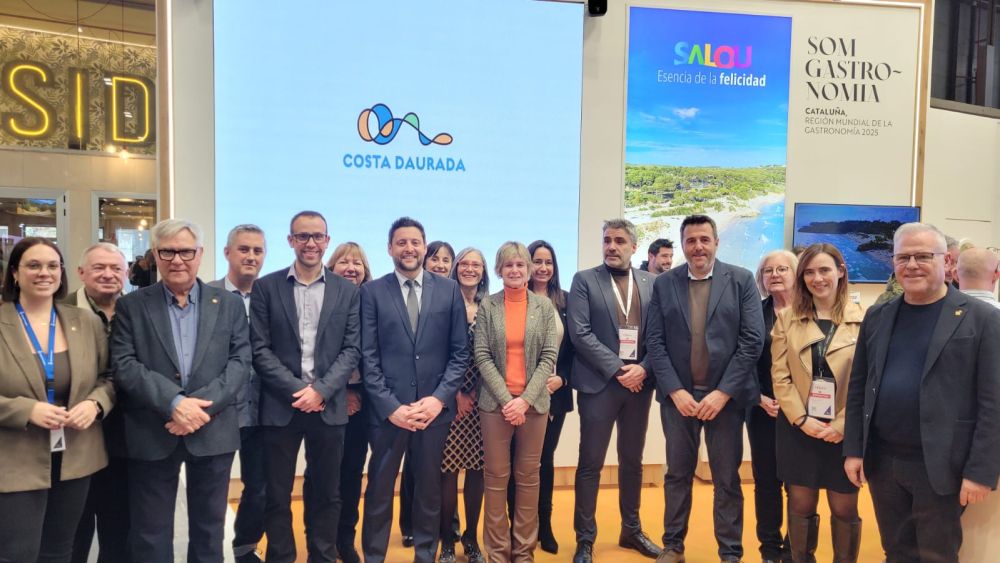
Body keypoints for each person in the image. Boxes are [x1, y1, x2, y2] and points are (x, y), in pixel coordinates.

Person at [844, 222, 1000, 563]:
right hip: (884, 463)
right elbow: (860, 387)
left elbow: (993, 403)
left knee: (937, 556)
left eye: (923, 256)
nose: (911, 265)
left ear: (948, 262)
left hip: (942, 467)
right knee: (896, 552)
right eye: (903, 257)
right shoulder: (878, 315)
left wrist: (981, 471)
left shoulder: (983, 319)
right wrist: (854, 449)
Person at [110, 219, 250, 563]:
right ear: (154, 255)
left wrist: (197, 409)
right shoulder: (132, 305)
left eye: (186, 251)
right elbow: (124, 365)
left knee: (209, 531)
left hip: (213, 429)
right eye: (167, 252)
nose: (177, 260)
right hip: (152, 429)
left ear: (200, 254)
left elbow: (240, 363)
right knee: (150, 533)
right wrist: (173, 403)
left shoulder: (228, 304)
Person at [646, 214, 764, 563]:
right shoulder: (665, 284)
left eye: (704, 239)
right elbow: (655, 342)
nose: (698, 247)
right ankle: (673, 546)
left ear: (716, 242)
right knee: (677, 474)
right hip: (679, 399)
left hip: (725, 400)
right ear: (683, 244)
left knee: (726, 478)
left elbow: (752, 341)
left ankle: (730, 552)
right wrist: (675, 390)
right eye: (691, 240)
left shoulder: (741, 280)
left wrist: (723, 392)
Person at [251, 212, 361, 563]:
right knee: (276, 493)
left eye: (317, 236)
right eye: (302, 236)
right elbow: (259, 349)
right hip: (280, 406)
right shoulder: (266, 287)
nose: (310, 243)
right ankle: (281, 556)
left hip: (328, 407)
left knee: (327, 493)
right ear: (290, 241)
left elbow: (352, 349)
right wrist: (299, 390)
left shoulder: (346, 291)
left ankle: (322, 555)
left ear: (327, 241)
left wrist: (321, 391)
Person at [360, 217, 470, 563]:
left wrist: (438, 400)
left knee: (428, 491)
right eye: (401, 242)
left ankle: (426, 555)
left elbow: (460, 353)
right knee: (379, 491)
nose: (409, 249)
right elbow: (367, 357)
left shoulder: (448, 290)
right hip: (388, 415)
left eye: (415, 242)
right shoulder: (372, 292)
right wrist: (391, 407)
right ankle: (374, 556)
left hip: (433, 413)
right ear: (389, 248)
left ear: (424, 246)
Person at [0, 238, 115, 563]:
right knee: (17, 554)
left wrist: (94, 404)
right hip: (14, 458)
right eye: (33, 265)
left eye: (52, 266)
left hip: (75, 457)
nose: (44, 273)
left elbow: (109, 378)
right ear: (14, 273)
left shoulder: (85, 322)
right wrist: (26, 410)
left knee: (60, 551)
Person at [568, 218, 661, 563]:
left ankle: (631, 530)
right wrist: (619, 369)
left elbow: (660, 334)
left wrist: (644, 368)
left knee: (632, 461)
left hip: (639, 384)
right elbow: (580, 333)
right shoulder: (584, 280)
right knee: (590, 463)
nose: (611, 246)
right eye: (607, 240)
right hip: (600, 384)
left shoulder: (652, 283)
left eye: (619, 241)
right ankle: (585, 540)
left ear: (634, 247)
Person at [771, 244, 863, 563]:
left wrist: (842, 425)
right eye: (809, 272)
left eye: (824, 270)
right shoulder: (786, 319)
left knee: (844, 506)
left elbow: (868, 382)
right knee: (800, 504)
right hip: (798, 428)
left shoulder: (865, 320)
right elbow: (780, 376)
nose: (817, 278)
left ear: (841, 271)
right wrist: (801, 419)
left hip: (844, 430)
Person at [475, 241, 557, 562]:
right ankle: (497, 553)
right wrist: (508, 400)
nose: (514, 270)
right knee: (496, 479)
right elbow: (482, 355)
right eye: (508, 265)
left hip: (533, 406)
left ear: (529, 269)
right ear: (499, 270)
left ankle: (523, 552)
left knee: (528, 478)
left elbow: (548, 356)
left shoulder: (543, 307)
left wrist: (524, 401)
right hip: (495, 406)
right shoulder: (488, 306)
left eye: (520, 264)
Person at [68, 242, 131, 563]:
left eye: (115, 268)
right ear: (81, 273)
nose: (108, 274)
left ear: (126, 273)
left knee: (119, 528)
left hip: (126, 437)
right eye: (98, 268)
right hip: (73, 436)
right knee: (72, 529)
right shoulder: (57, 309)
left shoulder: (138, 310)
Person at [208, 224, 267, 563]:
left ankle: (245, 546)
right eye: (244, 249)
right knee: (212, 489)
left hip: (262, 409)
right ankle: (208, 551)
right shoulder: (207, 295)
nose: (251, 256)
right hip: (219, 410)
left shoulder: (271, 295)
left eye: (258, 251)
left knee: (260, 487)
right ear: (227, 252)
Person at [398, 238, 459, 547]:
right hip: (416, 398)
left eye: (446, 260)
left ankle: (448, 523)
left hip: (453, 398)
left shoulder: (458, 295)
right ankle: (411, 523)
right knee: (415, 464)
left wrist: (449, 394)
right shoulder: (409, 293)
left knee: (447, 465)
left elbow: (461, 352)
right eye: (435, 258)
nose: (440, 264)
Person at [438, 247, 489, 563]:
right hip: (449, 400)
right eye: (464, 264)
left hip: (482, 400)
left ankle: (471, 539)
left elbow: (494, 356)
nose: (469, 269)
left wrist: (475, 393)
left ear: (483, 271)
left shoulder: (490, 307)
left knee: (477, 470)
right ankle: (447, 540)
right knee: (447, 470)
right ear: (456, 268)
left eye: (476, 265)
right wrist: (455, 392)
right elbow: (435, 352)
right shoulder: (442, 304)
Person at [524, 240, 575, 554]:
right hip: (520, 396)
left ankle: (545, 525)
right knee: (520, 463)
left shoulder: (566, 301)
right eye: (537, 261)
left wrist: (563, 378)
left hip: (555, 393)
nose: (542, 268)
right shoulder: (515, 298)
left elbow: (575, 348)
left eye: (548, 262)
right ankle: (520, 525)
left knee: (545, 460)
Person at [747, 249, 798, 563]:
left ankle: (795, 549)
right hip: (762, 409)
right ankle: (769, 548)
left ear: (796, 273)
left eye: (782, 269)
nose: (775, 275)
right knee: (766, 481)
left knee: (799, 484)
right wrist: (757, 396)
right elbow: (741, 359)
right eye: (768, 270)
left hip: (803, 414)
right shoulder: (753, 313)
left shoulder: (811, 312)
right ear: (761, 278)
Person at [326, 241, 374, 563]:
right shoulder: (323, 301)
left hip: (364, 400)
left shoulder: (372, 303)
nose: (351, 268)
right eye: (344, 261)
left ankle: (345, 539)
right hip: (327, 398)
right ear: (331, 267)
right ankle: (322, 540)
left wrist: (358, 392)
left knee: (353, 472)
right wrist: (342, 391)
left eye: (357, 263)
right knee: (324, 473)